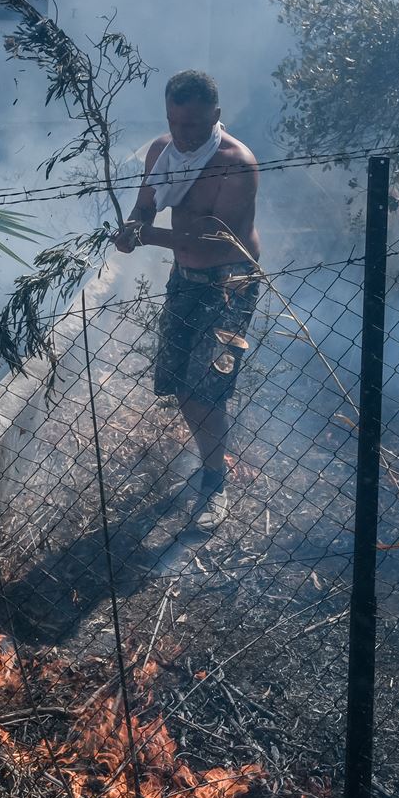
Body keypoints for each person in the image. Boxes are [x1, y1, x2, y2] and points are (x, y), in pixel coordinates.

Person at [114, 70, 261, 528]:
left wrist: (146, 235)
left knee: (207, 387)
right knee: (179, 381)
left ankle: (215, 481)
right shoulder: (162, 151)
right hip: (186, 275)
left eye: (194, 126)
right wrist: (133, 224)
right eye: (176, 123)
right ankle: (209, 457)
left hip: (229, 281)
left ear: (216, 116)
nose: (184, 134)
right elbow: (147, 203)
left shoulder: (235, 164)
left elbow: (219, 242)